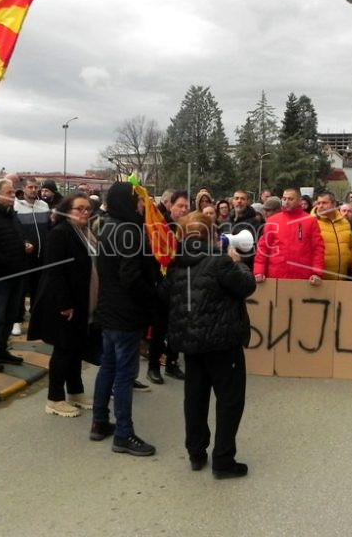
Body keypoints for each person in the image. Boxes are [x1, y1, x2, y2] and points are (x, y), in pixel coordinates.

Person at [165, 211, 256, 478]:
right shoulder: (220, 262)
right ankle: (223, 460)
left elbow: (165, 295)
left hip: (191, 343)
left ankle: (196, 453)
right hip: (222, 342)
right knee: (229, 400)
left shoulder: (176, 263)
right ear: (210, 235)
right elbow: (247, 287)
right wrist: (238, 262)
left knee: (195, 397)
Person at [91, 182, 160, 456]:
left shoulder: (106, 226)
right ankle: (123, 433)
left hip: (108, 310)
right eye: (138, 200)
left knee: (107, 366)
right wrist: (152, 298)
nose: (142, 205)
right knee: (124, 374)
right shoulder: (131, 230)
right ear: (127, 202)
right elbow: (130, 276)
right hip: (125, 313)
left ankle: (99, 421)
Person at [31, 194, 98, 418]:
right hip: (63, 302)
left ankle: (76, 392)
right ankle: (55, 398)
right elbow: (55, 271)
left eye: (88, 209)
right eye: (79, 208)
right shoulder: (60, 234)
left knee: (76, 347)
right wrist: (65, 304)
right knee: (63, 349)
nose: (85, 212)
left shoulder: (85, 232)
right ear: (66, 211)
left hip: (82, 299)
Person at [0, 178, 31, 372]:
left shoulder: (11, 215)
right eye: (9, 193)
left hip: (17, 271)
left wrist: (25, 244)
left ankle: (1, 349)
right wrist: (4, 260)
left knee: (10, 314)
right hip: (0, 274)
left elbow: (18, 235)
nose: (13, 196)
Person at [147, 190, 188, 384]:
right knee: (159, 329)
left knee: (177, 328)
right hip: (163, 284)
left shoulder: (190, 227)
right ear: (170, 205)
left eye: (186, 206)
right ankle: (154, 366)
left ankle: (172, 364)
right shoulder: (161, 226)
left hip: (182, 284)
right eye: (180, 206)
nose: (183, 210)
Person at [254, 188, 324, 284]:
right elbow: (263, 247)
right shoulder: (272, 221)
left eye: (291, 199)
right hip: (276, 276)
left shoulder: (310, 221)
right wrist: (259, 271)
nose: (286, 202)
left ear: (299, 201)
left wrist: (316, 272)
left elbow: (318, 248)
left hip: (303, 277)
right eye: (284, 199)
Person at [13, 177, 51, 336]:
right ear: (23, 189)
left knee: (39, 288)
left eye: (36, 187)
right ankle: (17, 320)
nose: (34, 190)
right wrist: (23, 243)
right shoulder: (16, 207)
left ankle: (37, 318)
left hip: (42, 254)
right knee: (21, 289)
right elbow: (15, 230)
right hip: (24, 255)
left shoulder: (44, 206)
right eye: (30, 187)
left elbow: (48, 228)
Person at [312, 191, 352, 280]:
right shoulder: (312, 222)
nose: (320, 206)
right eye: (318, 203)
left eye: (324, 203)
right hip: (320, 277)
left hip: (343, 276)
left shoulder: (344, 222)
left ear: (334, 204)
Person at [227, 190, 263, 270]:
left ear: (247, 202)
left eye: (242, 199)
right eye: (236, 198)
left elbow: (257, 248)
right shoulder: (226, 222)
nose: (239, 201)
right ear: (232, 201)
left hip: (245, 269)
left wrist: (241, 258)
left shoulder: (255, 224)